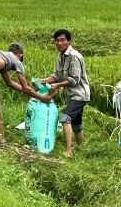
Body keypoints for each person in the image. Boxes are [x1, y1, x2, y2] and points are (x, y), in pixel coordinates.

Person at [38, 29, 90, 157]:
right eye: (57, 40)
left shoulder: (74, 56)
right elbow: (57, 75)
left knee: (65, 119)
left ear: (69, 41)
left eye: (63, 40)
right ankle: (81, 148)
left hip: (80, 94)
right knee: (76, 123)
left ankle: (69, 151)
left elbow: (74, 79)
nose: (60, 43)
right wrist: (42, 81)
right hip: (72, 95)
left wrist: (57, 86)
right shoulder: (60, 56)